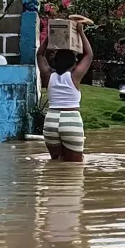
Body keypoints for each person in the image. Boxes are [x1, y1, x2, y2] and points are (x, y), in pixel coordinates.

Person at [36, 21, 93, 162]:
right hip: (71, 120)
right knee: (74, 168)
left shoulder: (48, 75)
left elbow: (40, 55)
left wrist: (50, 36)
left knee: (55, 163)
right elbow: (89, 55)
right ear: (73, 63)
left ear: (55, 61)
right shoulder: (74, 75)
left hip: (51, 121)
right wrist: (81, 32)